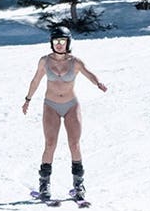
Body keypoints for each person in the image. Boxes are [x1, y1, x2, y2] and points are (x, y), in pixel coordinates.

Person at [21, 26, 108, 201]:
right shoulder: (44, 61)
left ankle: (78, 185)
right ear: (51, 43)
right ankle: (44, 185)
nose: (59, 45)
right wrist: (28, 99)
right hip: (51, 105)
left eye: (62, 41)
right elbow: (36, 80)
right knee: (50, 144)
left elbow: (89, 74)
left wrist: (98, 83)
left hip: (71, 105)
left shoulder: (75, 62)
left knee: (74, 144)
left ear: (68, 42)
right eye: (56, 41)